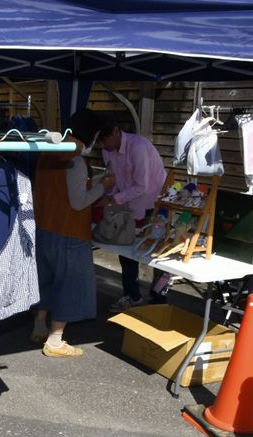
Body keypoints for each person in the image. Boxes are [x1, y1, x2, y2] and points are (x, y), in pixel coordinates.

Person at [32, 109, 115, 358]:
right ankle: (55, 340)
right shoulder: (76, 160)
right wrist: (103, 186)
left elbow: (60, 189)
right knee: (69, 286)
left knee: (45, 281)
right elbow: (78, 202)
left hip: (44, 227)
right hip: (70, 232)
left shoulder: (49, 151)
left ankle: (39, 326)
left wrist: (95, 180)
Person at [98, 115, 168, 311]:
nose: (103, 145)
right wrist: (106, 194)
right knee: (125, 251)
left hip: (151, 203)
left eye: (105, 140)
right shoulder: (107, 149)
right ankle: (132, 295)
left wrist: (113, 199)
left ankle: (159, 298)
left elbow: (142, 187)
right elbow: (113, 180)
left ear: (115, 131)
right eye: (100, 142)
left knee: (156, 253)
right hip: (128, 203)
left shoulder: (138, 147)